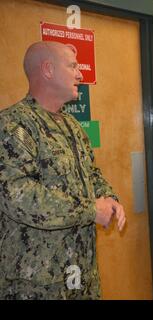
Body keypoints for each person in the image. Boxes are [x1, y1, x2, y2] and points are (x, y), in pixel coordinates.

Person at [0, 41, 126, 300]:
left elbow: (90, 172)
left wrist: (109, 197)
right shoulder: (13, 124)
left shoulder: (71, 124)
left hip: (82, 270)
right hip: (38, 281)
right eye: (72, 66)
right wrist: (91, 210)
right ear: (47, 69)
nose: (80, 74)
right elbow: (18, 196)